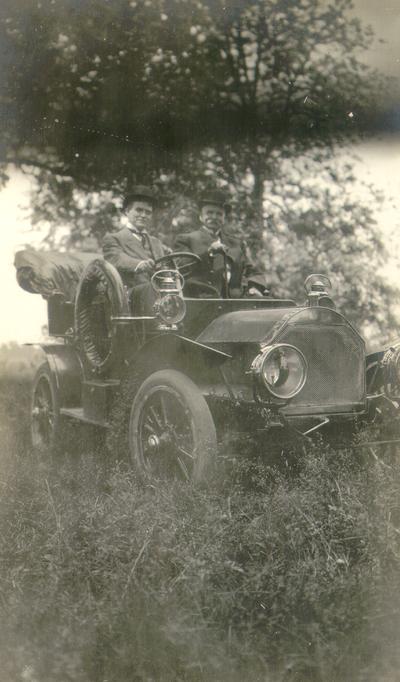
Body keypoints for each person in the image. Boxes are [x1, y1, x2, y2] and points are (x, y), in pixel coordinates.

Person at [173, 189, 268, 298]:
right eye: (209, 212)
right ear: (201, 216)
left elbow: (253, 271)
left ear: (224, 218)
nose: (214, 217)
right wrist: (208, 253)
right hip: (202, 300)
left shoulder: (236, 244)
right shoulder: (186, 240)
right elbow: (181, 270)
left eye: (219, 214)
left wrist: (254, 287)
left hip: (236, 301)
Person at [102, 185, 165, 288]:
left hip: (160, 293)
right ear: (127, 211)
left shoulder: (156, 242)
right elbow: (117, 259)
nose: (144, 215)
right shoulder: (114, 239)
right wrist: (140, 264)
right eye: (139, 210)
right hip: (130, 295)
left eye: (148, 212)